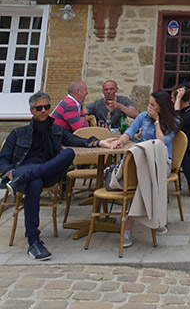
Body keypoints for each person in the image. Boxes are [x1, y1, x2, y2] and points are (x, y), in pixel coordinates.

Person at [0, 91, 113, 260]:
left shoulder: (56, 130)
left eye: (47, 107)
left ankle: (22, 181)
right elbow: (3, 159)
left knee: (68, 153)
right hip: (22, 170)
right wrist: (10, 174)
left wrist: (98, 142)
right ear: (32, 110)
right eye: (39, 108)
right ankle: (34, 242)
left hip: (47, 172)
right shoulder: (18, 133)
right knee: (35, 183)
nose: (44, 111)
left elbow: (77, 141)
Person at [107, 89, 179, 247]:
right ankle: (157, 220)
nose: (149, 107)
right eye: (149, 104)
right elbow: (129, 132)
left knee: (144, 180)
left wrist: (157, 121)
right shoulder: (142, 117)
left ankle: (128, 227)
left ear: (162, 107)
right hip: (142, 160)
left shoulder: (174, 121)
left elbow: (161, 142)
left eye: (153, 105)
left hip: (161, 162)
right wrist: (121, 140)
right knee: (143, 178)